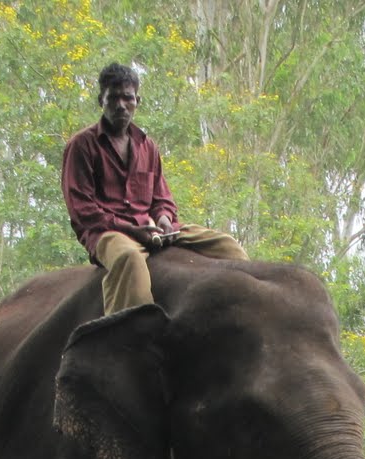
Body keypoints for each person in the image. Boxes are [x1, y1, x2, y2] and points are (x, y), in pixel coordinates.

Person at [61, 61, 248, 313]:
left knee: (227, 246)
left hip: (153, 231)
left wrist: (164, 219)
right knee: (128, 260)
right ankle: (127, 333)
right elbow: (82, 210)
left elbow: (162, 198)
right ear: (100, 101)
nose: (120, 105)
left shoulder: (147, 146)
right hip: (108, 233)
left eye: (127, 98)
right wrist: (131, 230)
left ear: (137, 100)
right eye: (112, 98)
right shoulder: (82, 145)